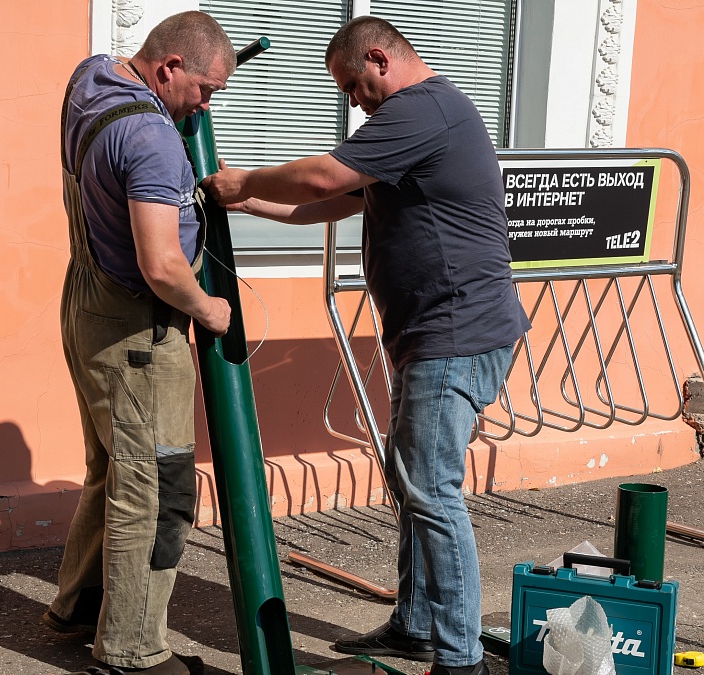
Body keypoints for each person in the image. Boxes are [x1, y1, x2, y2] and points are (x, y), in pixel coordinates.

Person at [202, 16, 530, 675]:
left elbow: (324, 178)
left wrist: (249, 181)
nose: (354, 101)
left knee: (430, 486)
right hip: (436, 333)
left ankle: (462, 658)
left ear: (379, 59)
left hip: (455, 334)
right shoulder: (423, 117)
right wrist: (244, 202)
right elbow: (336, 201)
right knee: (416, 482)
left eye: (353, 86)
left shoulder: (423, 110)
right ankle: (415, 624)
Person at [47, 11, 235, 675]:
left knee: (112, 469)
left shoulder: (91, 78)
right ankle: (131, 651)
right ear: (168, 69)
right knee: (157, 487)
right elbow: (161, 266)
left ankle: (78, 608)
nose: (205, 108)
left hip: (85, 304)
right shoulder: (153, 138)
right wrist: (210, 308)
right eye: (204, 90)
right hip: (137, 330)